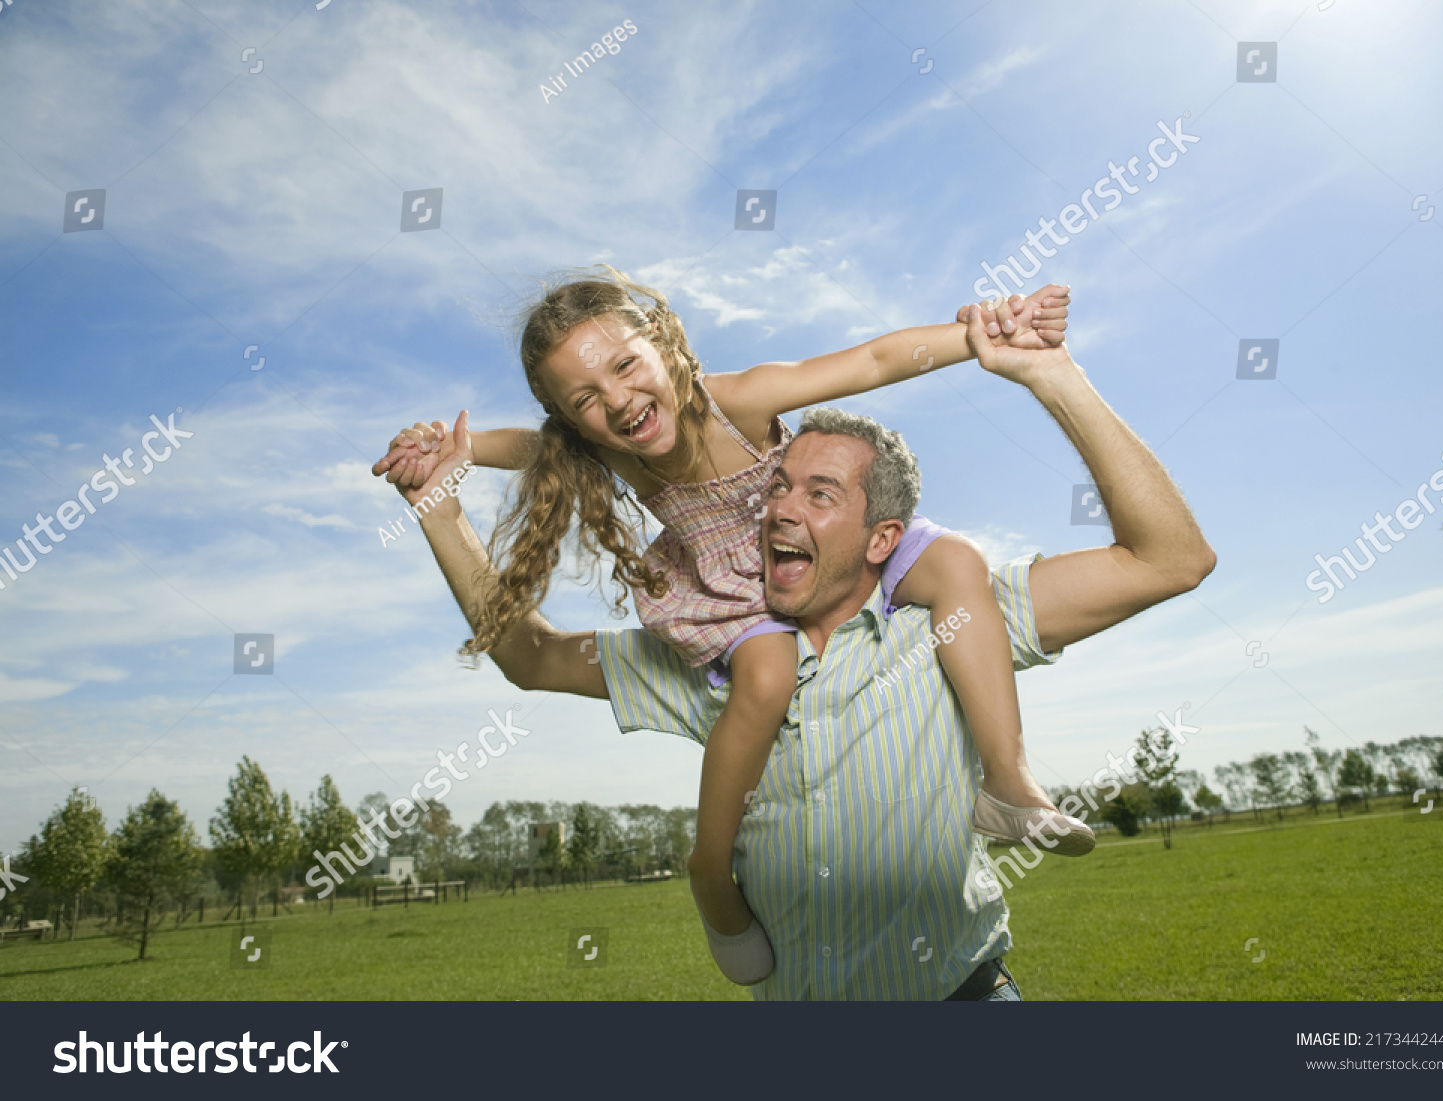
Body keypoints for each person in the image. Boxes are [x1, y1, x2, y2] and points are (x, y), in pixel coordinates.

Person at [380, 293, 1215, 1000]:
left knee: (956, 561)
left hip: (964, 999)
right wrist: (441, 498)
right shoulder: (704, 654)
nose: (618, 399)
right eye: (585, 397)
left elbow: (879, 361)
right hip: (735, 634)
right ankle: (713, 873)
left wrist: (1001, 348)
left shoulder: (947, 623)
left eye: (816, 489)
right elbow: (529, 652)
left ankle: (1008, 778)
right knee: (768, 667)